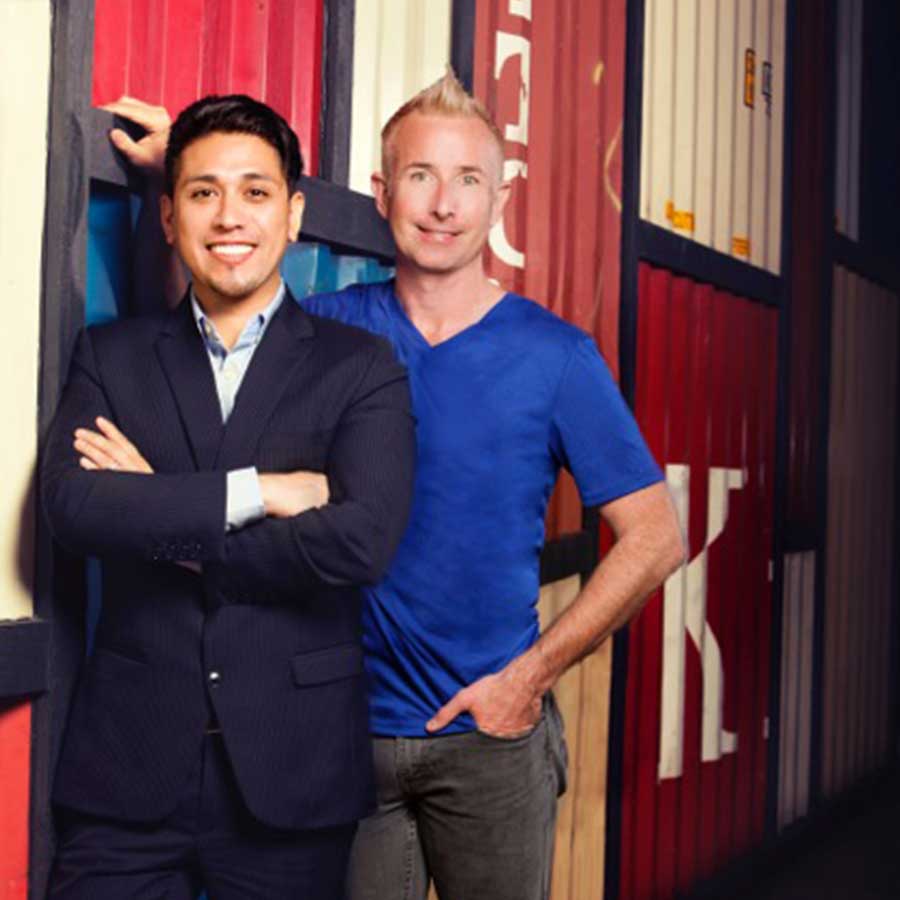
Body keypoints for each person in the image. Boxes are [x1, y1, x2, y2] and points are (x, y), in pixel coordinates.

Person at [105, 72, 684, 900]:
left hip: (490, 737)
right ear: (383, 192)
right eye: (420, 176)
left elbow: (657, 537)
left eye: (468, 180)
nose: (443, 203)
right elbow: (202, 332)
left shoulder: (555, 357)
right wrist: (184, 169)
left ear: (500, 198)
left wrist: (529, 679)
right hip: (341, 735)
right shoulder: (331, 333)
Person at [42, 94, 415, 900]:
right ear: (170, 218)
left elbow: (361, 543)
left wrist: (161, 510)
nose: (229, 216)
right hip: (128, 770)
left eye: (255, 191)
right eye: (204, 192)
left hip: (292, 771)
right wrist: (261, 493)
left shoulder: (360, 367)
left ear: (294, 215)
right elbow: (74, 509)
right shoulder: (111, 357)